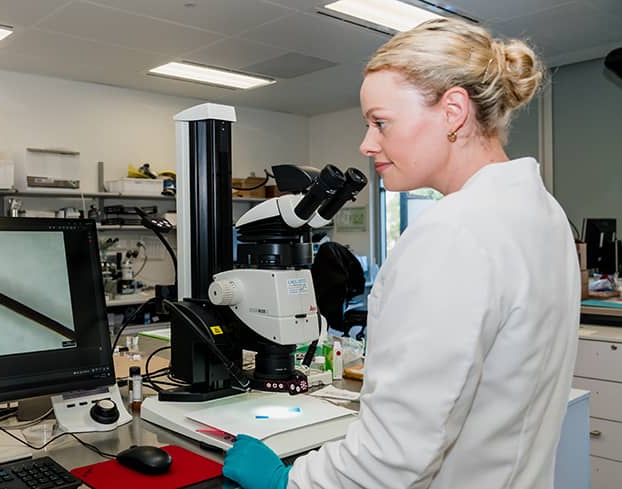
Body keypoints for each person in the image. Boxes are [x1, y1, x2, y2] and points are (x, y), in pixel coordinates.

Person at [223, 17, 581, 489]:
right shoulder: (544, 213)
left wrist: (290, 482)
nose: (367, 143)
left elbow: (394, 457)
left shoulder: (455, 232)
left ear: (453, 111)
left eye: (380, 122)